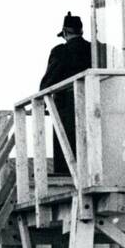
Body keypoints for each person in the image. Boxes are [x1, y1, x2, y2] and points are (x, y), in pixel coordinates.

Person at [38, 12, 92, 173]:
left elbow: (50, 78)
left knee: (66, 150)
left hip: (66, 108)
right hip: (91, 105)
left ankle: (66, 173)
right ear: (81, 31)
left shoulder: (61, 51)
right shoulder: (95, 48)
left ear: (66, 33)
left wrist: (42, 101)